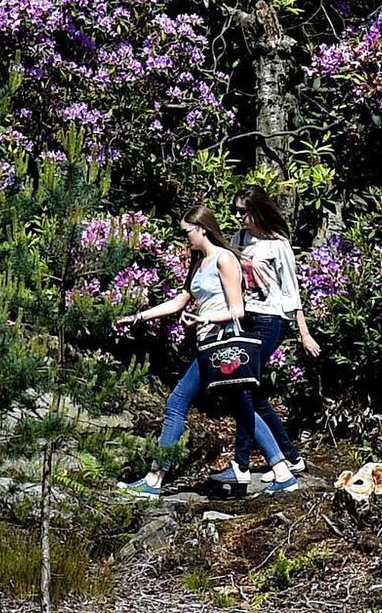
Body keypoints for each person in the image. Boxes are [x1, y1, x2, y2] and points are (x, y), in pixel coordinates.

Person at [114, 207, 299, 496]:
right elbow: (179, 302)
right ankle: (282, 471)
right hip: (207, 346)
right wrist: (138, 317)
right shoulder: (200, 263)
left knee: (177, 403)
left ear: (201, 228)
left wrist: (205, 319)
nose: (184, 237)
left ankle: (154, 479)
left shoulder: (225, 260)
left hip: (221, 345)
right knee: (241, 407)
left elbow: (237, 309)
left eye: (186, 231)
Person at [231, 186, 318, 476]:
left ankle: (240, 463)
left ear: (258, 210)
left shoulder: (277, 244)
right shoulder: (238, 240)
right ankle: (291, 457)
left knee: (243, 386)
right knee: (252, 393)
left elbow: (291, 292)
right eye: (236, 211)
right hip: (247, 318)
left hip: (272, 320)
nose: (239, 217)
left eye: (243, 211)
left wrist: (304, 333)